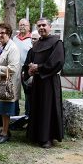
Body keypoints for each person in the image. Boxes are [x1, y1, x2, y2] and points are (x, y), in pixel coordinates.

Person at [24, 18, 65, 148]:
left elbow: (57, 62)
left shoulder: (56, 42)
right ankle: (36, 135)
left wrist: (39, 67)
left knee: (48, 109)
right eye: (39, 26)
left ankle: (47, 138)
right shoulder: (36, 45)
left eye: (44, 25)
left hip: (49, 81)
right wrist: (29, 68)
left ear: (50, 27)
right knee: (37, 107)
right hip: (37, 82)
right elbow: (28, 61)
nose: (41, 28)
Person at [0, 23, 21, 144]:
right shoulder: (1, 46)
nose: (0, 35)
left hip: (7, 85)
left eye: (3, 33)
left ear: (9, 34)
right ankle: (4, 131)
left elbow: (13, 68)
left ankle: (5, 133)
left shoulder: (12, 48)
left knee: (5, 110)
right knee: (1, 109)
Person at [12, 18, 32, 118]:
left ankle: (28, 115)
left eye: (24, 25)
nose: (22, 26)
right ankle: (14, 114)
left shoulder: (32, 39)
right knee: (14, 93)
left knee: (28, 93)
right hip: (15, 70)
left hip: (26, 71)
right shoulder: (14, 38)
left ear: (29, 27)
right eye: (20, 25)